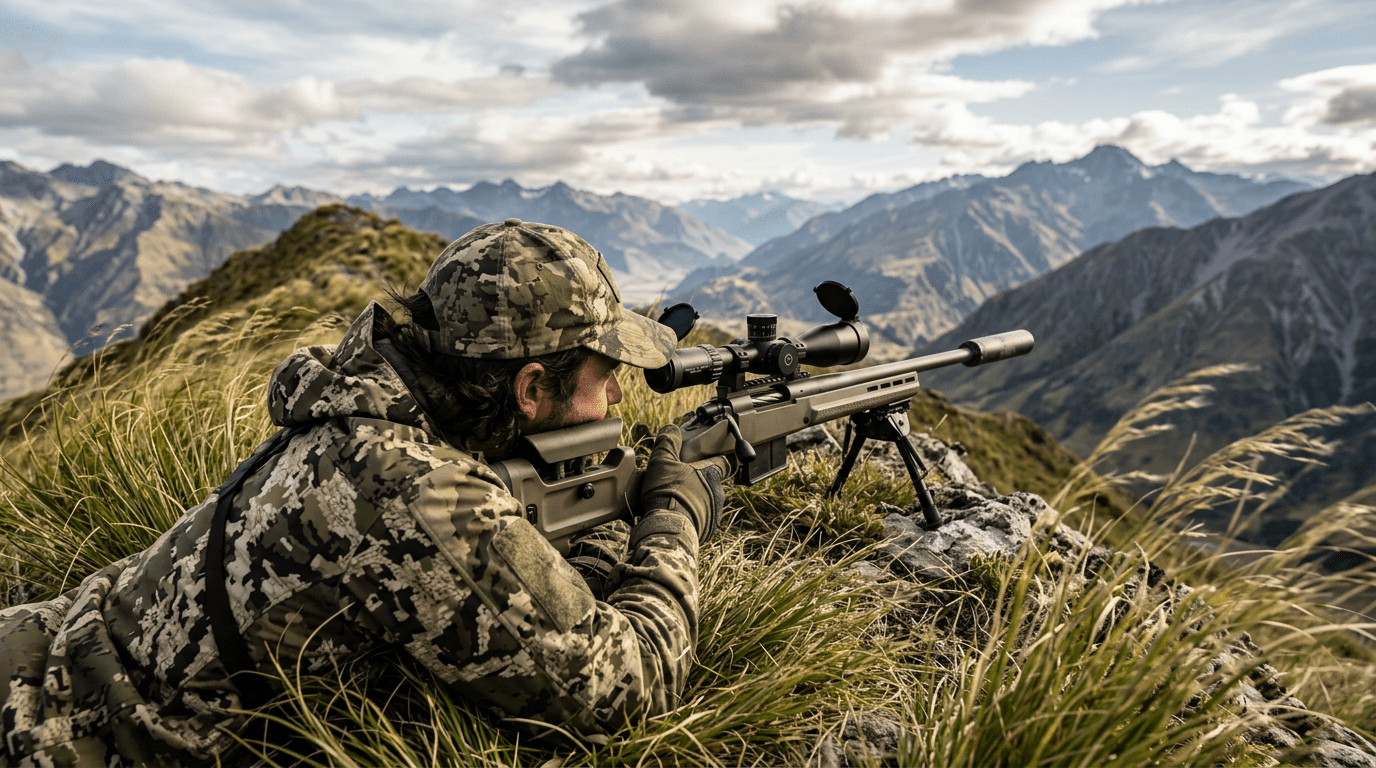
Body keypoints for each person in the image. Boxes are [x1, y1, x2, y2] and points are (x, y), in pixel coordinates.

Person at [0, 218, 728, 766]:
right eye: (608, 378)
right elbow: (627, 689)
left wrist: (604, 515)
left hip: (45, 646)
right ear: (531, 388)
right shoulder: (423, 494)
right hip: (53, 737)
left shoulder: (364, 402)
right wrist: (673, 516)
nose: (619, 400)